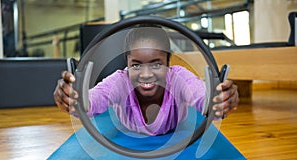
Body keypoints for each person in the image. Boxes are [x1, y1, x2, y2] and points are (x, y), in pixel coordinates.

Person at [53, 26, 239, 136]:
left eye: (156, 64)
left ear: (168, 62)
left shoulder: (178, 77)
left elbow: (202, 96)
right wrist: (73, 99)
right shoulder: (120, 81)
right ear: (127, 63)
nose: (146, 74)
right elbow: (93, 101)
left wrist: (220, 101)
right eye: (136, 65)